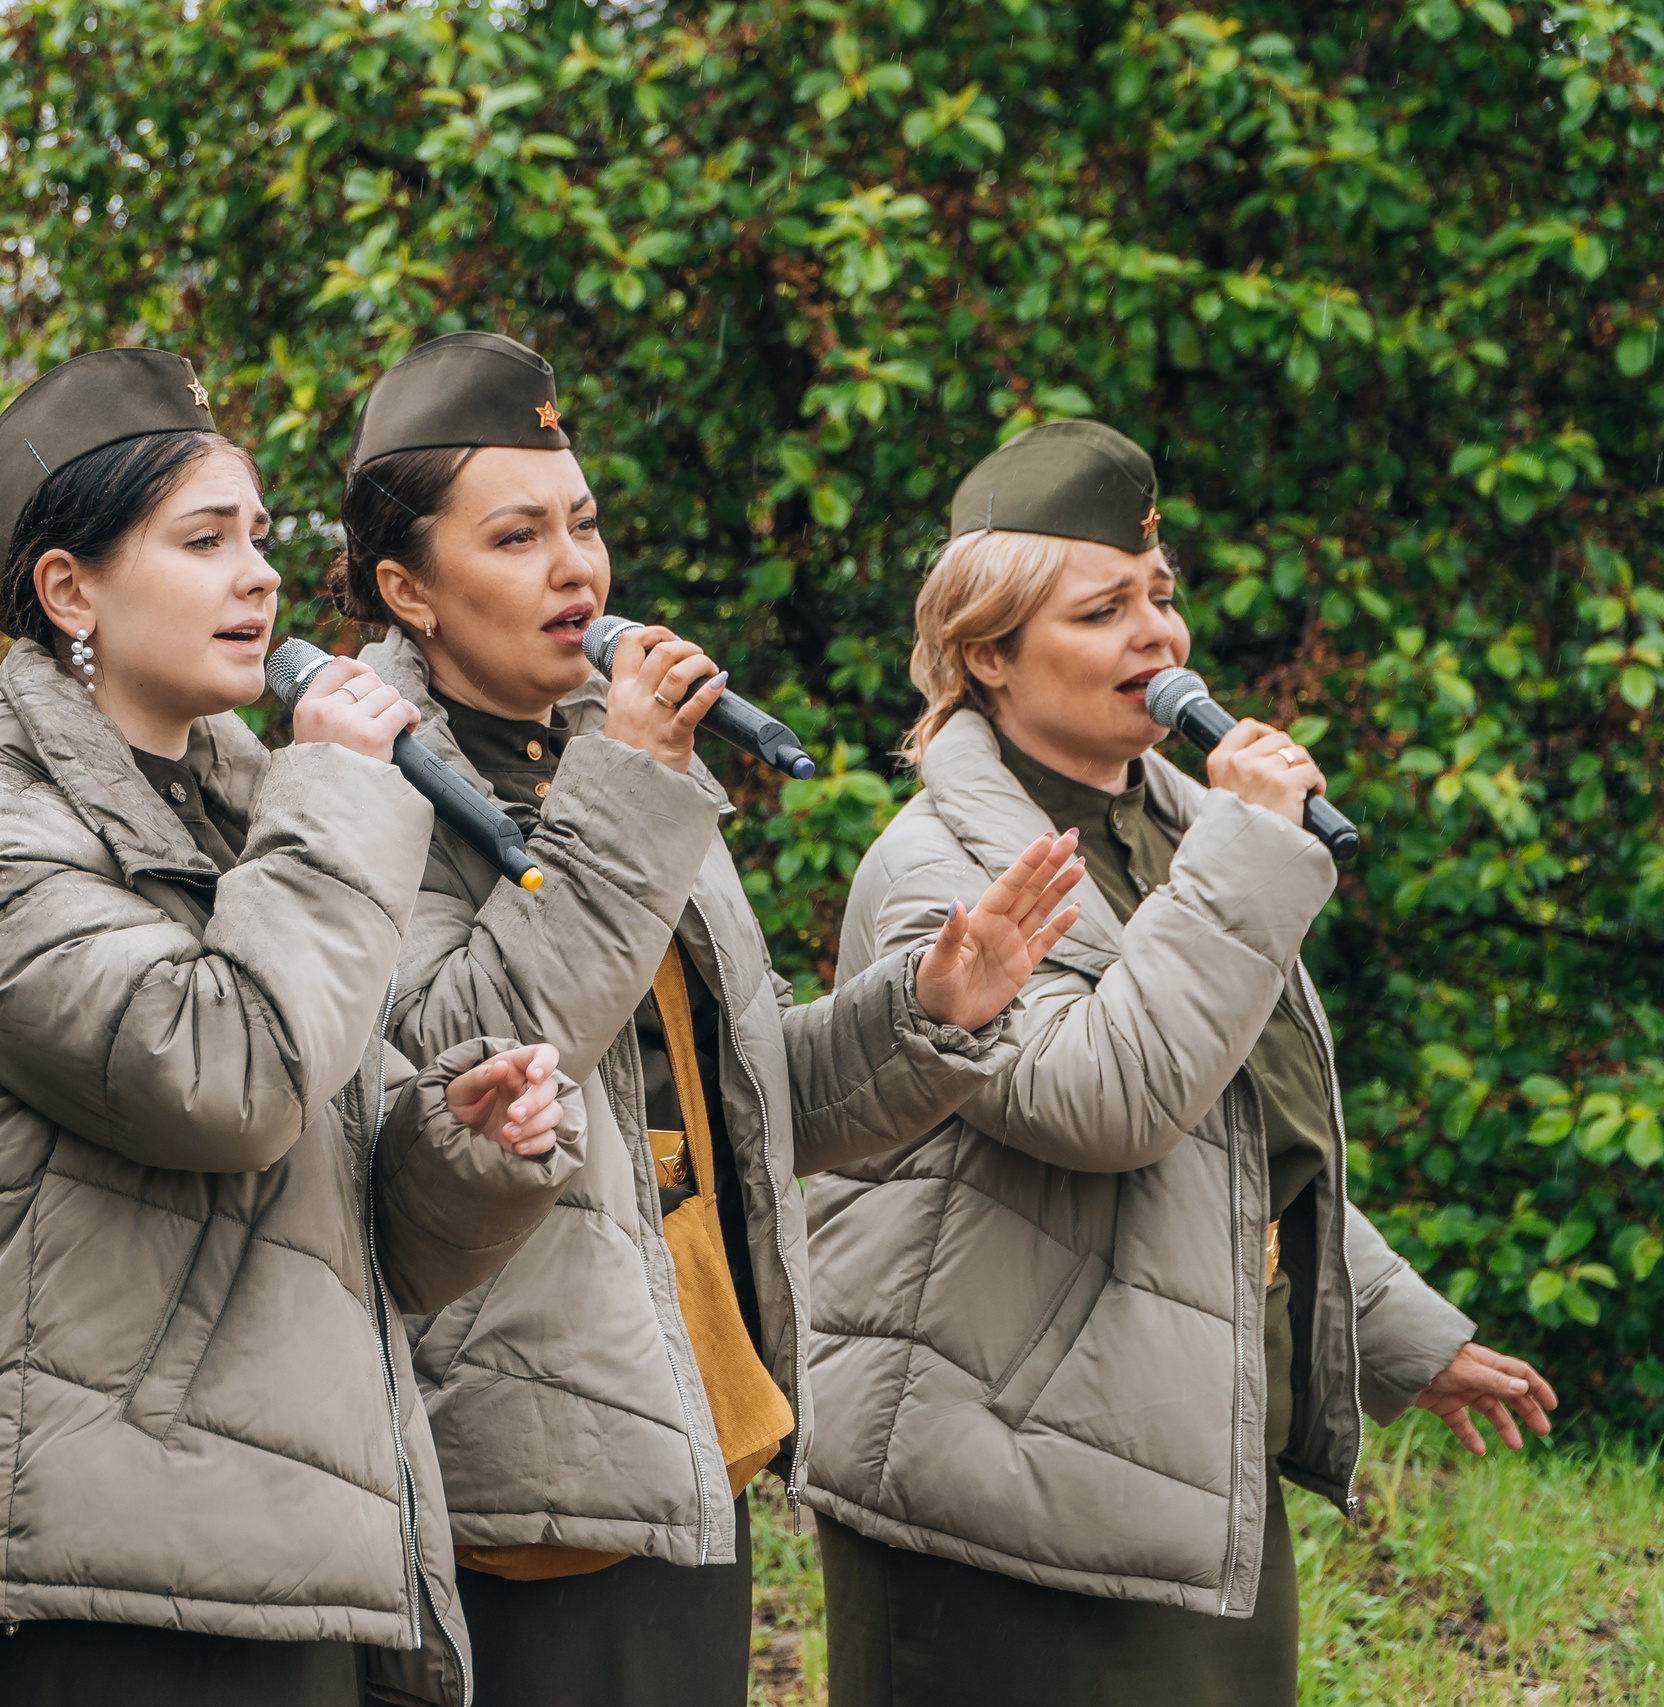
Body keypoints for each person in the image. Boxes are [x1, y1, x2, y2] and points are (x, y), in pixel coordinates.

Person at [322, 331, 1088, 1706]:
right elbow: (474, 1061)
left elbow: (738, 1102)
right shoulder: (363, 779)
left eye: (586, 523)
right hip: (517, 1472)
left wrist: (925, 1010)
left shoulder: (612, 755)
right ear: (407, 587)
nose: (578, 567)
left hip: (692, 1410)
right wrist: (631, 776)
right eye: (517, 535)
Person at [804, 420, 1560, 1706]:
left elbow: (1240, 1130)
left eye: (1161, 597)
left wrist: (1391, 1329)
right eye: (1104, 611)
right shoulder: (942, 863)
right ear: (987, 652)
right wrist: (1248, 862)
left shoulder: (1182, 834)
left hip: (1171, 1450)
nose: (1159, 638)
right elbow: (1102, 1106)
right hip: (989, 1484)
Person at [0, 346, 592, 1707]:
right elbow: (229, 1082)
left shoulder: (256, 822)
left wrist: (464, 1139)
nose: (262, 573)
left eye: (262, 537)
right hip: (99, 1578)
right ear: (69, 587)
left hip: (291, 1556)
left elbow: (368, 1245)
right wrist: (331, 785)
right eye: (206, 539)